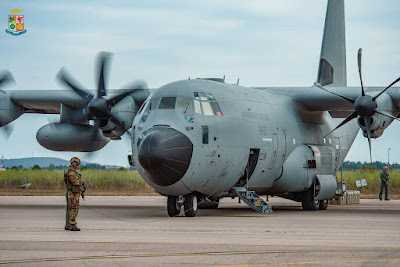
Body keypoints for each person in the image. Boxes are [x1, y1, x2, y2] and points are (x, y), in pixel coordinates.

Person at [64, 157, 85, 231]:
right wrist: (81, 181)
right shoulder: (72, 173)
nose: (78, 166)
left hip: (73, 193)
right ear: (75, 164)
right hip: (72, 193)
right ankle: (72, 225)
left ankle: (68, 224)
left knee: (70, 209)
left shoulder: (72, 172)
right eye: (77, 164)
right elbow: (75, 182)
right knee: (74, 208)